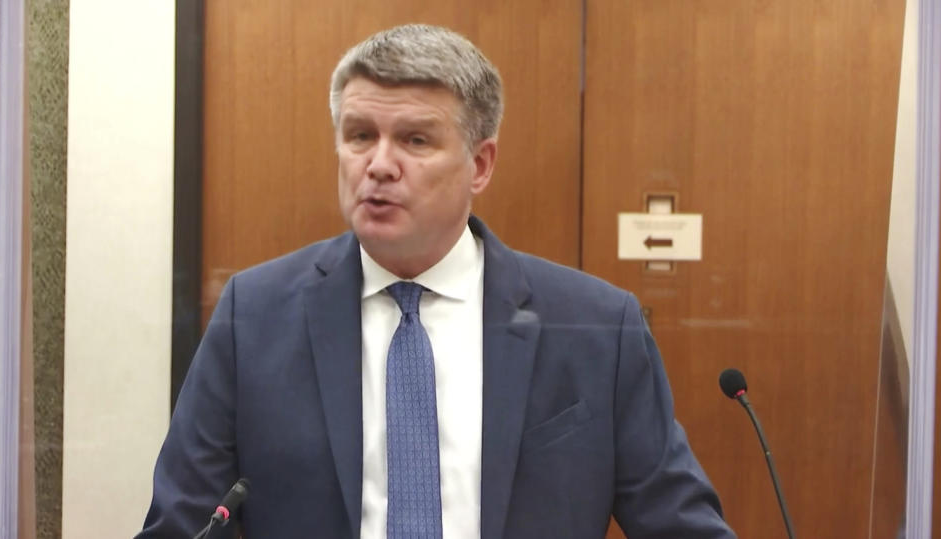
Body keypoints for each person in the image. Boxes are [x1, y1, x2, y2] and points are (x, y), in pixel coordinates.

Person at [137, 24, 736, 539]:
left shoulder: (597, 327)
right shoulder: (256, 316)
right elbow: (182, 523)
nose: (378, 164)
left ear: (479, 165)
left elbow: (678, 525)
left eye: (415, 140)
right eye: (360, 135)